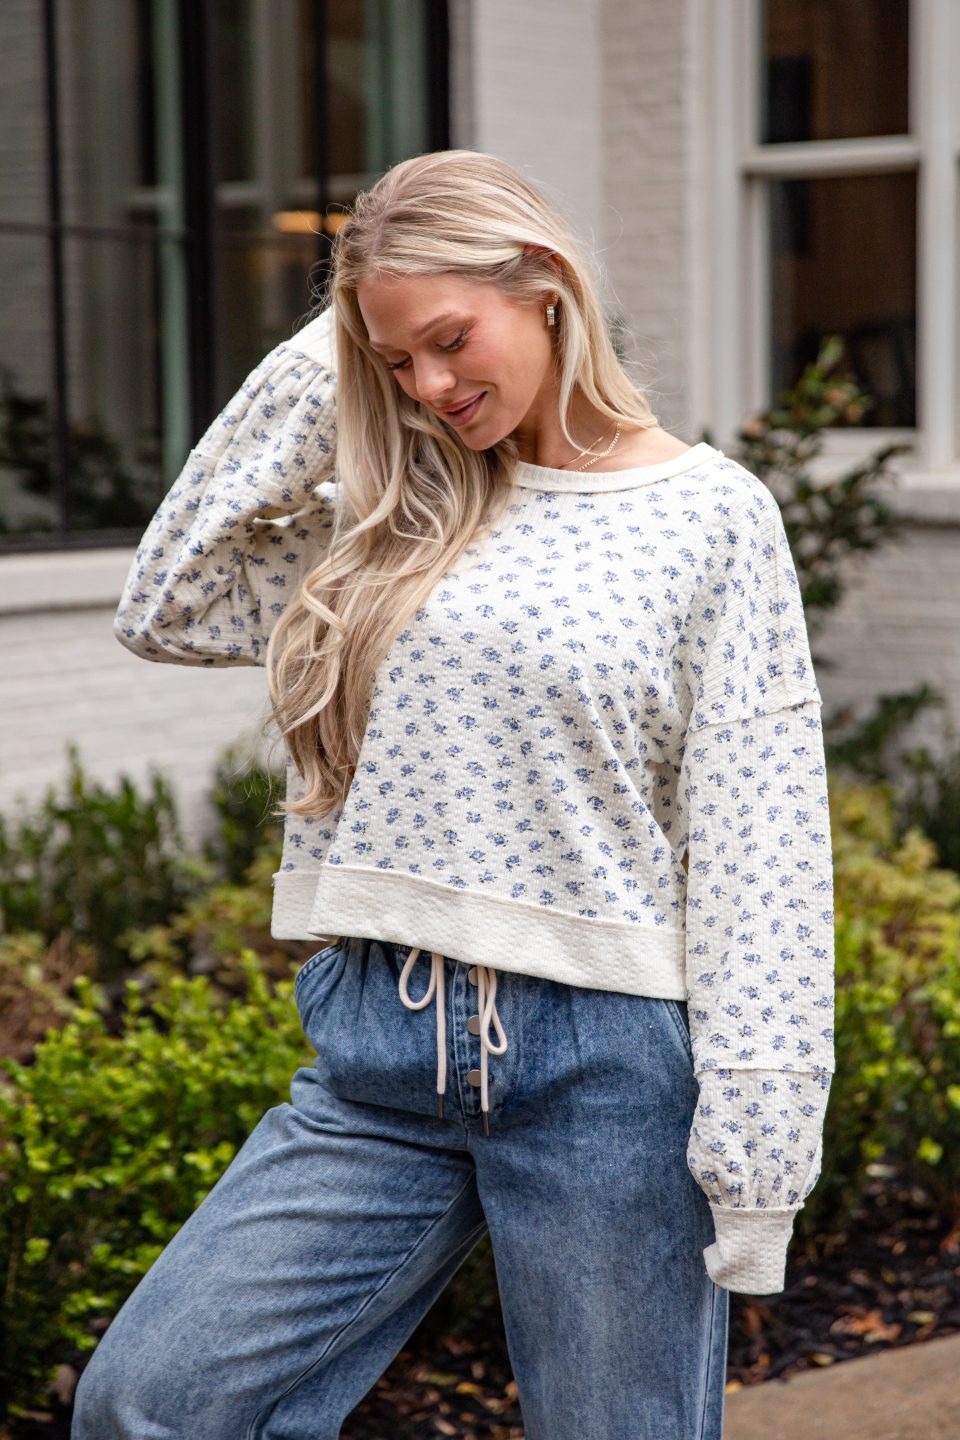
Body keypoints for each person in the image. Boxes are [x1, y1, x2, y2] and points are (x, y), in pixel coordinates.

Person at [72, 149, 835, 1440]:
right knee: (152, 1403)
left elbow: (763, 847)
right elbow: (167, 601)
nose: (428, 385)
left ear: (545, 286)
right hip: (381, 1043)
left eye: (449, 340)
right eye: (394, 362)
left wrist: (760, 1158)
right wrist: (338, 344)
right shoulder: (395, 507)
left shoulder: (710, 518)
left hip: (605, 1070)